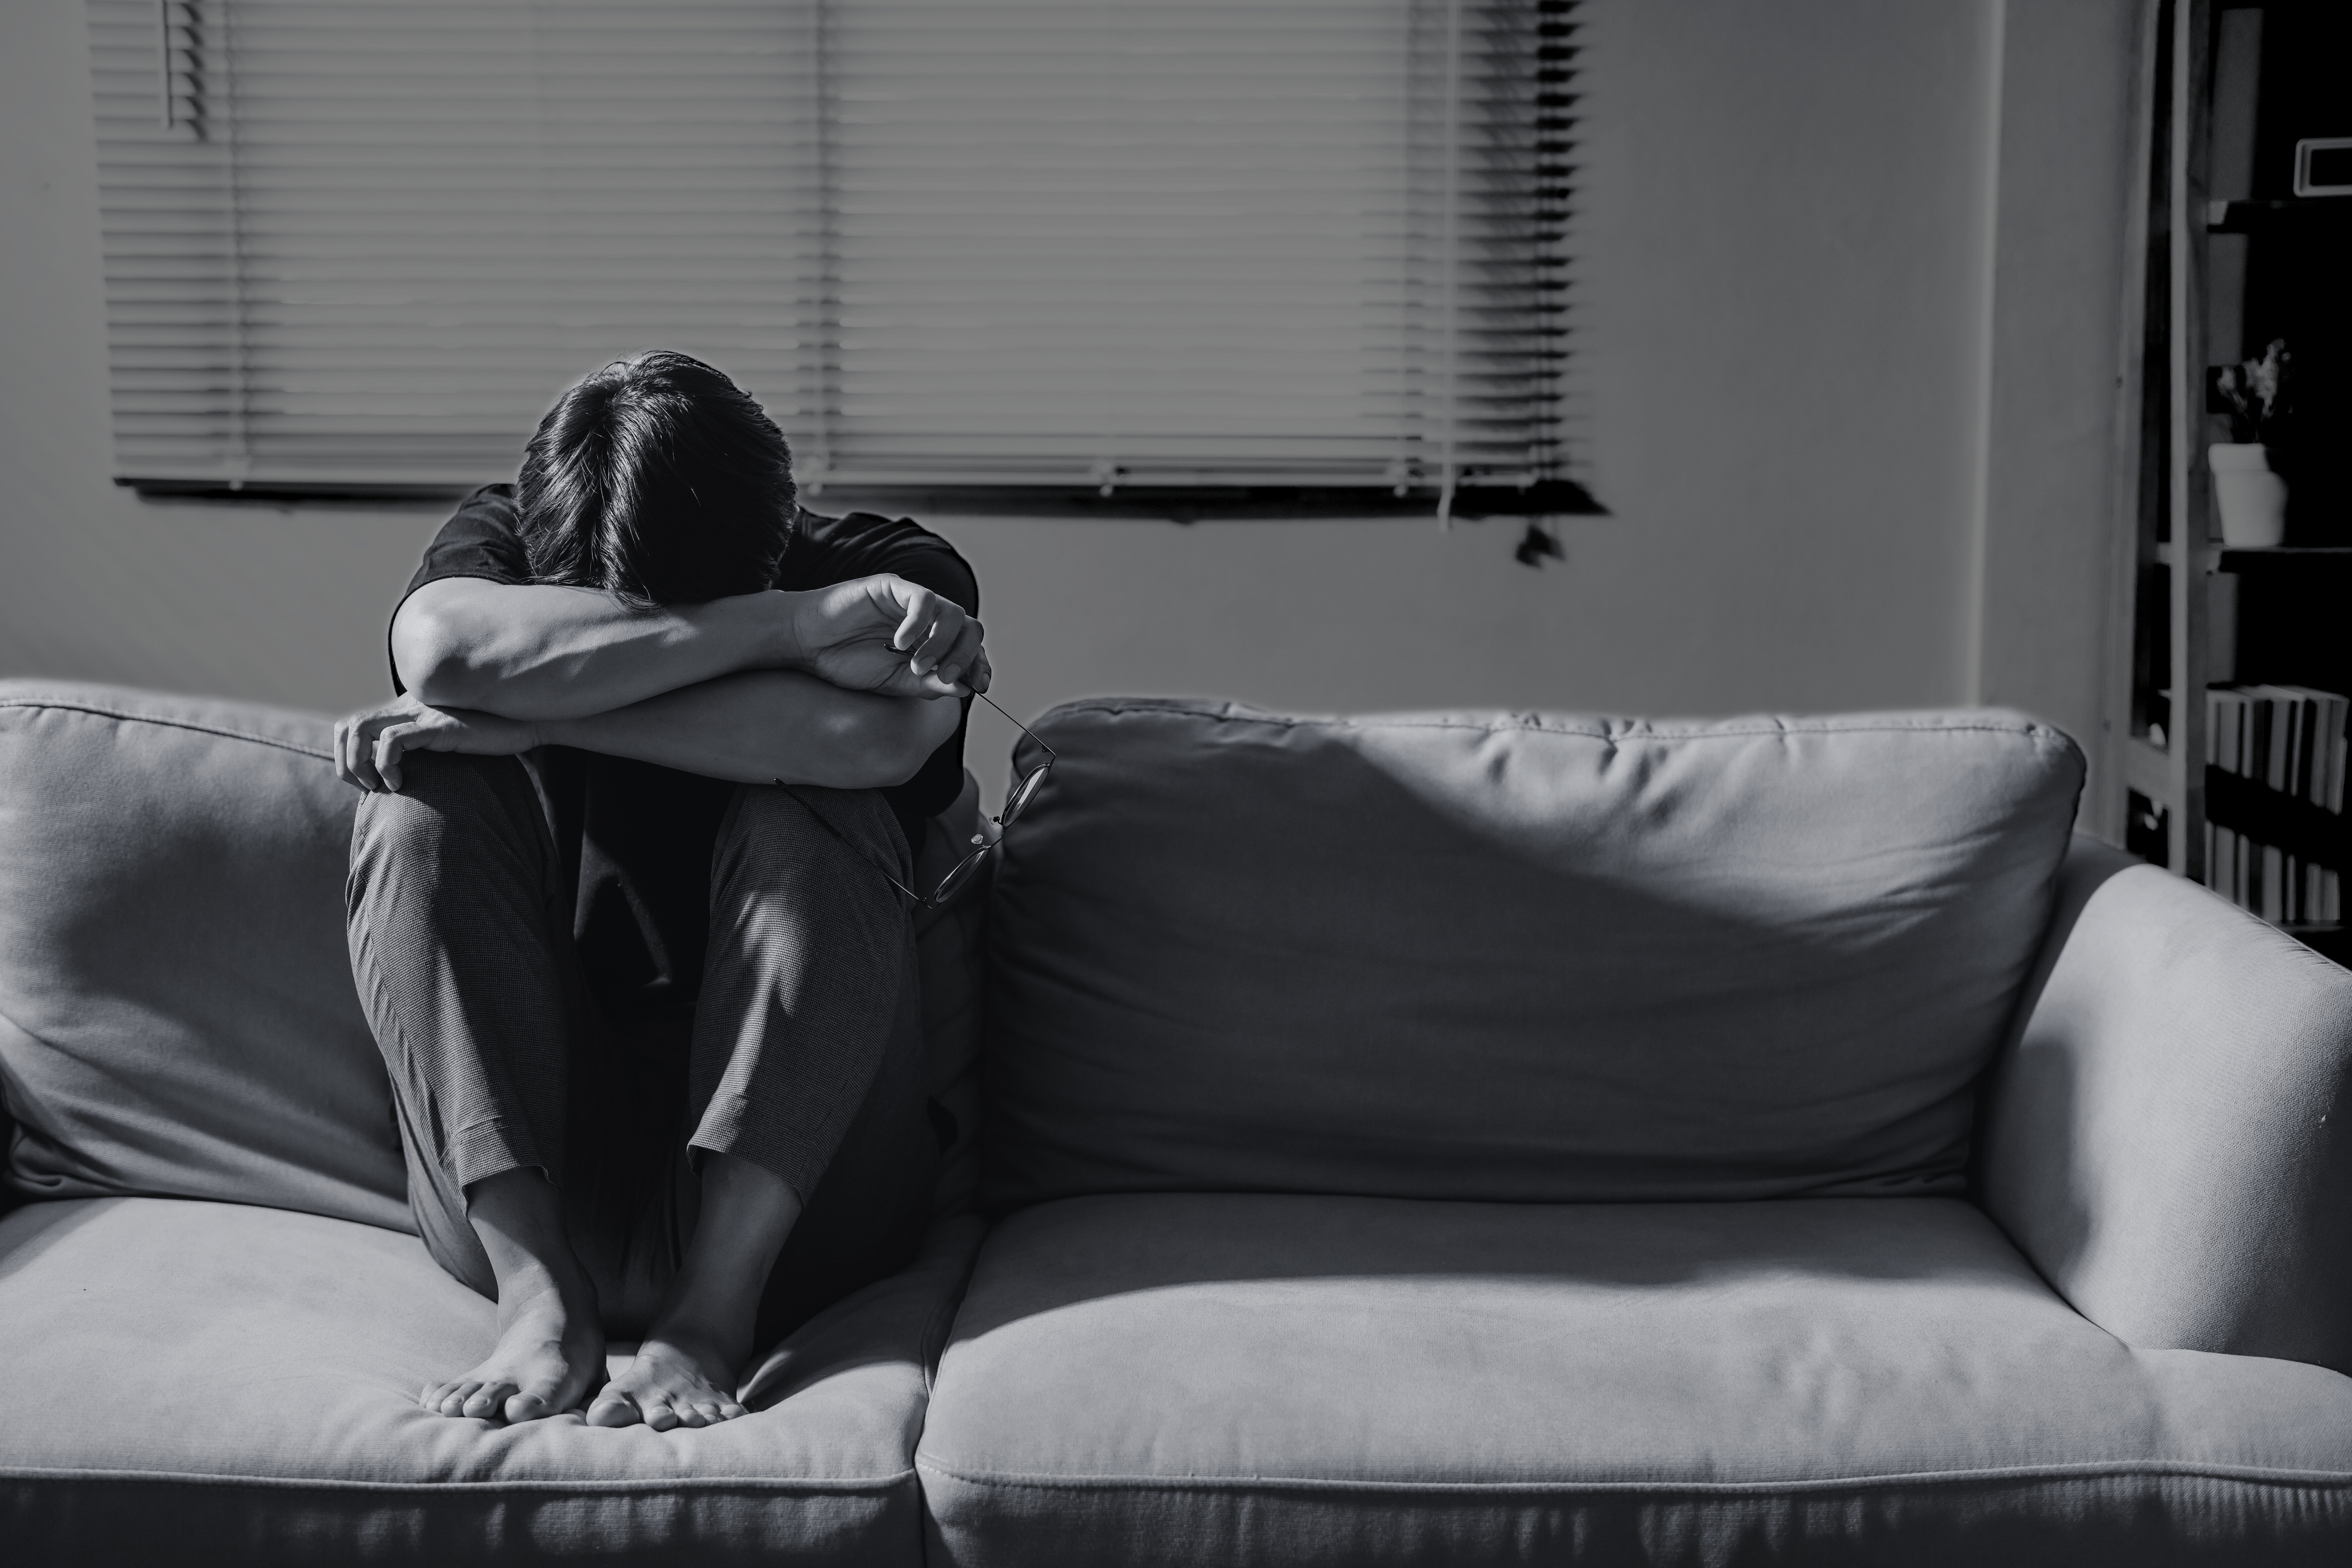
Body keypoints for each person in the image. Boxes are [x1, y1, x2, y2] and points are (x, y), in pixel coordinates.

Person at [334, 350, 987, 1432]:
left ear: (777, 538)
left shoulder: (895, 573)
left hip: (806, 1196)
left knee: (819, 805)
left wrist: (537, 711)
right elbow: (443, 654)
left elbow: (864, 746)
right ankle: (539, 1299)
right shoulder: (504, 537)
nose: (641, 633)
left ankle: (709, 1319)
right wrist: (784, 630)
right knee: (416, 799)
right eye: (602, 617)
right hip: (531, 1172)